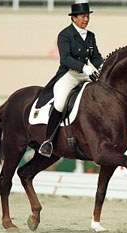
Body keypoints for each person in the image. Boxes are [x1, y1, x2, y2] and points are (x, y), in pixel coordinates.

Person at [38, 0, 103, 157]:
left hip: (86, 74)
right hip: (69, 75)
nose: (86, 19)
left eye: (87, 16)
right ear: (74, 18)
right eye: (82, 16)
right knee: (60, 103)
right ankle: (48, 141)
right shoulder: (65, 35)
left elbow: (95, 57)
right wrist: (83, 67)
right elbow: (65, 59)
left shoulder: (90, 36)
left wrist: (102, 67)